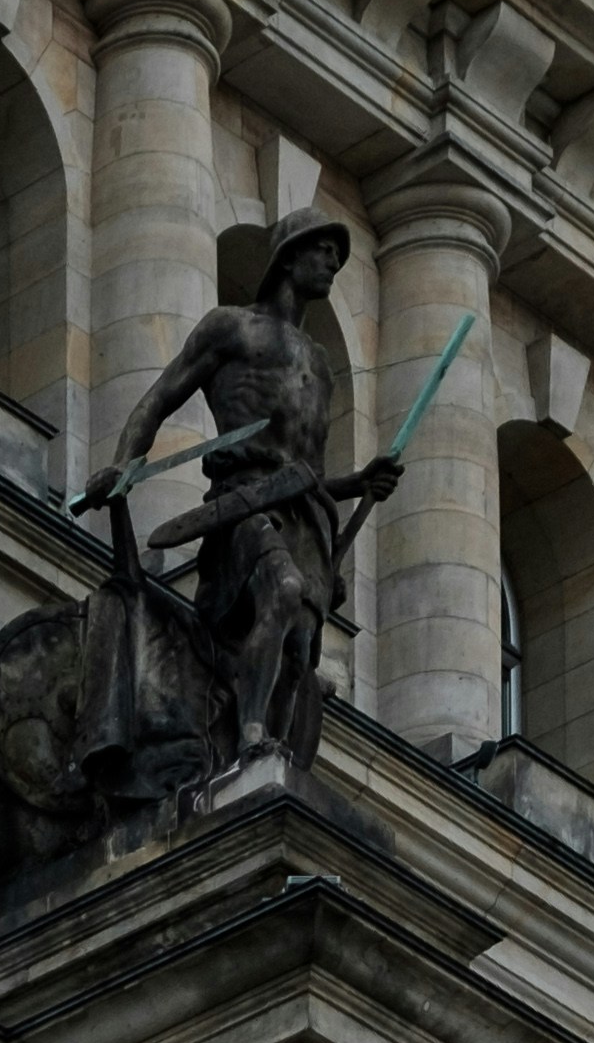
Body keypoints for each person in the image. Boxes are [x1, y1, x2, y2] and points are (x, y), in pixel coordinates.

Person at [73, 215, 404, 780]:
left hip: (306, 514)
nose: (332, 264)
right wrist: (123, 464)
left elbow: (309, 471)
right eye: (323, 251)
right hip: (243, 499)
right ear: (287, 259)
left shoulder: (320, 365)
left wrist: (360, 483)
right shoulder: (232, 329)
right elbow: (158, 399)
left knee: (300, 650)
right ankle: (251, 733)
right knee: (284, 589)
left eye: (337, 255)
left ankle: (270, 754)